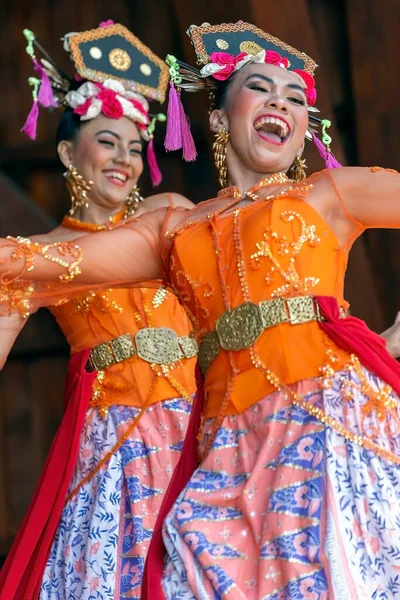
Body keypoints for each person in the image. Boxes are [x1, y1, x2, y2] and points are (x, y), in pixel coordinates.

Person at [2, 19, 400, 599]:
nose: (280, 103)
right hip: (226, 454)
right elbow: (53, 261)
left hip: (325, 421)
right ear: (217, 116)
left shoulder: (330, 192)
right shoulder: (174, 228)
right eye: (260, 88)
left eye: (294, 99)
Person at [0, 22, 198, 600]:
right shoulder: (39, 261)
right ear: (67, 151)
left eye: (136, 147)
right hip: (118, 445)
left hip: (199, 426)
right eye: (108, 141)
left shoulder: (168, 213)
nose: (125, 159)